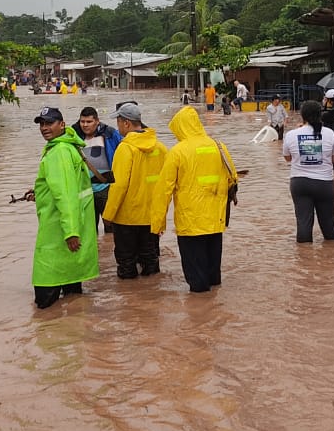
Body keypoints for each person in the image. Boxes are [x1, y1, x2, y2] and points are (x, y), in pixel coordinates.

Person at [151, 106, 237, 293]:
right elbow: (233, 177)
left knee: (197, 282)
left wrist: (157, 223)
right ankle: (215, 313)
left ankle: (200, 316)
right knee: (214, 276)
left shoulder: (177, 151)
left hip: (190, 223)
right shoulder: (218, 145)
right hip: (215, 220)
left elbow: (163, 190)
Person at [22, 107, 100, 309]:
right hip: (70, 225)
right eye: (42, 124)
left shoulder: (58, 152)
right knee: (73, 296)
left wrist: (70, 232)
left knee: (45, 303)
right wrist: (41, 192)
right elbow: (67, 186)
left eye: (49, 123)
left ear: (62, 124)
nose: (44, 128)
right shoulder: (67, 146)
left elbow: (65, 195)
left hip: (58, 231)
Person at [102, 101, 167, 279]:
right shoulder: (160, 148)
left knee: (126, 263)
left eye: (118, 122)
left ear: (126, 123)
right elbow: (167, 183)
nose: (118, 127)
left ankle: (130, 302)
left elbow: (119, 185)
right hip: (151, 217)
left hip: (127, 219)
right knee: (151, 261)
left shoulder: (125, 149)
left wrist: (108, 215)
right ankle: (153, 299)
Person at [283, 99, 334, 243]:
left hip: (300, 183)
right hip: (324, 184)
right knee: (329, 225)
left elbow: (288, 158)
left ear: (303, 116)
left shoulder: (291, 135)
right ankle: (332, 258)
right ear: (320, 115)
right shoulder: (330, 134)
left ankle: (304, 260)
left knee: (303, 224)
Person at [70, 106, 122, 232]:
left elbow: (122, 151)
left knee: (111, 228)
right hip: (85, 189)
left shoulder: (109, 134)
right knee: (89, 229)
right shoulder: (73, 136)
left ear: (97, 121)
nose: (85, 125)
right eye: (82, 122)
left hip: (105, 188)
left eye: (89, 122)